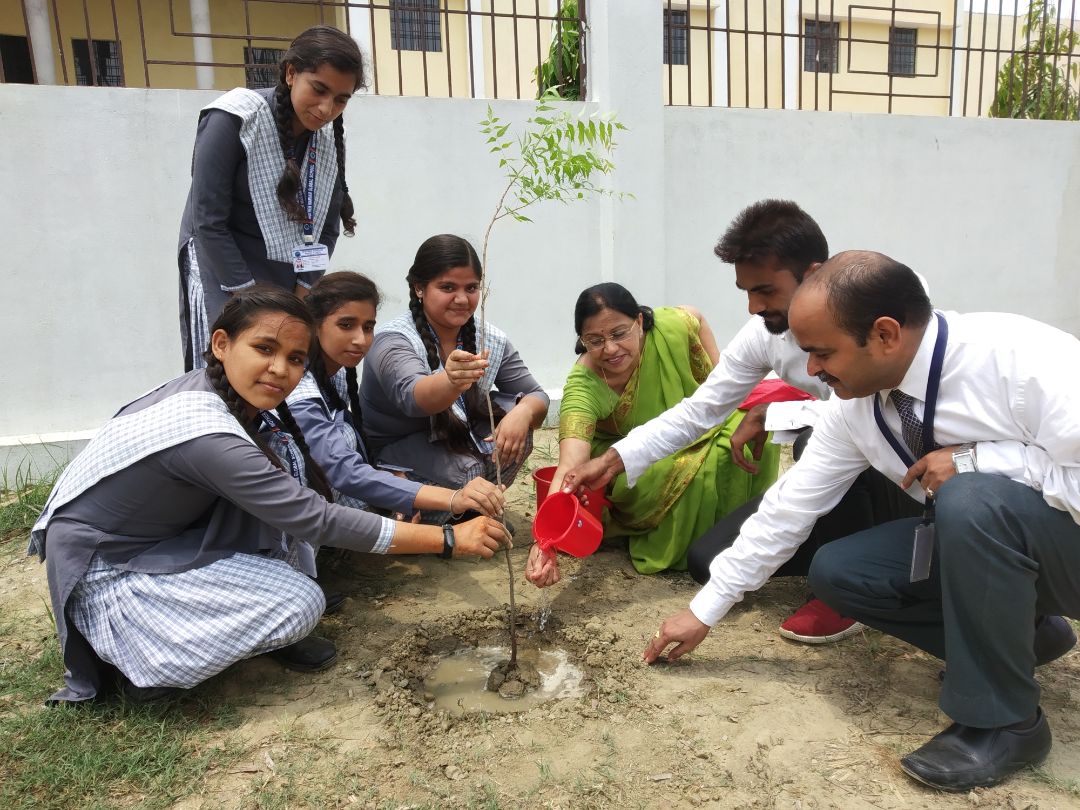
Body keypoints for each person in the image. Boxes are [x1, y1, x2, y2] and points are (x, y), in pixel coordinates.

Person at [643, 252, 1079, 792]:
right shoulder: (858, 406)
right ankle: (1025, 640)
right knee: (841, 570)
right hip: (1010, 550)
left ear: (885, 334)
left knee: (970, 498)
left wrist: (981, 461)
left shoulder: (1018, 360)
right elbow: (788, 509)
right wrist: (703, 613)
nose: (812, 372)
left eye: (823, 353)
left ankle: (1007, 724)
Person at [30, 287, 508, 705]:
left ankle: (238, 624)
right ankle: (139, 658)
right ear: (222, 344)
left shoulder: (236, 395)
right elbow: (321, 513)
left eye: (296, 359)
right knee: (300, 603)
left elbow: (319, 487)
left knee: (290, 490)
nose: (280, 369)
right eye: (264, 348)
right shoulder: (208, 433)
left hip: (166, 534)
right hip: (109, 565)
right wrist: (449, 539)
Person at [559, 200, 919, 642]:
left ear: (813, 274)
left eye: (765, 290)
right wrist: (615, 458)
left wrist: (778, 412)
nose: (752, 306)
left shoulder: (883, 316)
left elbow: (879, 415)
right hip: (830, 471)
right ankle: (846, 556)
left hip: (901, 471)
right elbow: (700, 410)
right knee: (707, 563)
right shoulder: (763, 335)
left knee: (812, 440)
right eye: (746, 291)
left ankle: (847, 590)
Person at [525, 283, 780, 580]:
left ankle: (750, 538)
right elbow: (570, 466)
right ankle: (698, 552)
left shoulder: (671, 329)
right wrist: (545, 543)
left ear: (640, 322)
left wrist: (721, 384)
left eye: (619, 334)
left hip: (700, 423)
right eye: (595, 340)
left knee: (763, 432)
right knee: (701, 471)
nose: (610, 349)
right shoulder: (584, 384)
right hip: (630, 457)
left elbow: (695, 320)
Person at [178, 25, 364, 371]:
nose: (326, 109)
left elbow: (326, 230)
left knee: (282, 368)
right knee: (232, 364)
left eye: (341, 99)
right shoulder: (234, 118)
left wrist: (302, 294)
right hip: (221, 263)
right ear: (291, 73)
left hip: (287, 274)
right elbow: (208, 221)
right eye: (319, 89)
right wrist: (250, 299)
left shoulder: (326, 141)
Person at [284, 271, 506, 538]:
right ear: (314, 325)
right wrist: (453, 498)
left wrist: (385, 475)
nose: (361, 339)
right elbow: (343, 470)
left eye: (368, 327)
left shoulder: (338, 373)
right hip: (303, 505)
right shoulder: (298, 389)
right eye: (346, 325)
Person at [360, 234, 549, 497]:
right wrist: (451, 381)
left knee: (517, 431)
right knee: (467, 470)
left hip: (452, 437)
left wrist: (523, 412)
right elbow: (413, 397)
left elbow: (537, 395)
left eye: (471, 288)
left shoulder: (488, 337)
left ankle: (478, 512)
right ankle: (454, 523)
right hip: (393, 452)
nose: (462, 299)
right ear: (419, 288)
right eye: (448, 288)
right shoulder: (394, 340)